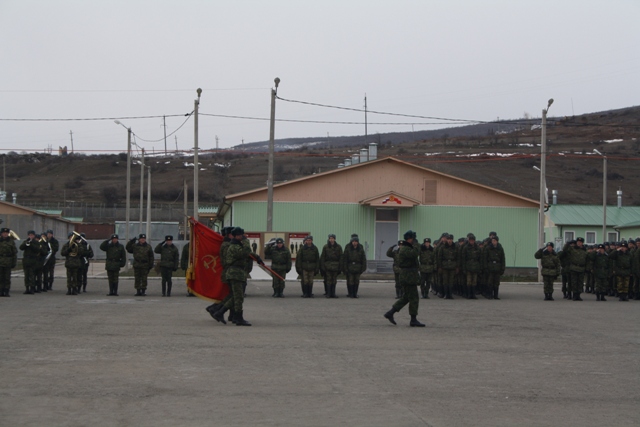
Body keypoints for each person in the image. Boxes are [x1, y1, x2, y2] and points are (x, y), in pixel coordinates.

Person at [212, 227, 263, 326]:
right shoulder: (233, 246)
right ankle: (236, 317)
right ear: (236, 236)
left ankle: (222, 313)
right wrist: (246, 242)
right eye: (241, 235)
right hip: (235, 273)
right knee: (238, 297)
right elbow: (244, 252)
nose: (243, 237)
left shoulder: (237, 245)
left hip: (238, 273)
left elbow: (247, 253)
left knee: (236, 296)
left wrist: (257, 257)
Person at [383, 230, 425, 327]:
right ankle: (413, 320)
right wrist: (417, 245)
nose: (414, 240)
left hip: (409, 276)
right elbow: (415, 253)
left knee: (406, 297)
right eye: (413, 239)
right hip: (408, 276)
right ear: (409, 239)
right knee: (414, 298)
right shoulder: (405, 249)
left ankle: (390, 313)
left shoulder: (407, 248)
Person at [562, 237, 588, 301]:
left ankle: (578, 295)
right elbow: (565, 250)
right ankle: (574, 295)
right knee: (574, 282)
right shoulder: (572, 249)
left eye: (580, 242)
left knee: (580, 283)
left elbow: (587, 259)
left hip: (581, 268)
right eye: (578, 242)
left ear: (582, 243)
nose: (579, 243)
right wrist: (567, 243)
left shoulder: (584, 250)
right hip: (574, 268)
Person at [20, 230, 45, 295]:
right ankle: (27, 288)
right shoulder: (26, 241)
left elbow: (37, 250)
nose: (30, 236)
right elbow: (21, 248)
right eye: (29, 235)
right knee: (26, 275)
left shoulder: (36, 242)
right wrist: (26, 244)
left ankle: (32, 288)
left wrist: (31, 244)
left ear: (34, 236)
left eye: (32, 235)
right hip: (26, 260)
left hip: (33, 260)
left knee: (32, 275)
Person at [320, 234, 342, 299]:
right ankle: (328, 293)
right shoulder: (325, 247)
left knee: (334, 280)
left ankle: (333, 293)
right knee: (328, 280)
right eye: (330, 238)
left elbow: (341, 257)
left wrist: (340, 267)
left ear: (334, 239)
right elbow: (323, 257)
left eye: (332, 238)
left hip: (336, 266)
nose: (331, 240)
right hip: (328, 266)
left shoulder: (338, 247)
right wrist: (322, 267)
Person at [483, 235, 505, 299]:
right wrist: (485, 267)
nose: (493, 242)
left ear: (497, 241)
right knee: (490, 282)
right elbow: (485, 259)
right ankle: (490, 295)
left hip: (497, 267)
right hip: (490, 267)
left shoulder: (500, 248)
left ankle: (496, 295)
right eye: (492, 241)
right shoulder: (488, 248)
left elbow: (502, 259)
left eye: (494, 241)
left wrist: (502, 268)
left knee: (496, 282)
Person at [437, 233, 457, 299]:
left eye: (450, 239)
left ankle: (450, 294)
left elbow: (458, 257)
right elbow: (439, 257)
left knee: (451, 281)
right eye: (448, 239)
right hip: (444, 266)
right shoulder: (442, 247)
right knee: (445, 281)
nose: (449, 241)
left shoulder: (455, 247)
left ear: (452, 240)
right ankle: (446, 294)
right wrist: (440, 267)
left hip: (452, 266)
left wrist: (457, 266)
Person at [461, 234, 482, 299]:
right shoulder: (466, 248)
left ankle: (473, 294)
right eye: (470, 240)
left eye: (472, 240)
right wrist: (464, 268)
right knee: (469, 281)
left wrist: (480, 267)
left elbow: (480, 258)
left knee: (474, 281)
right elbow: (463, 259)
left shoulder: (477, 248)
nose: (471, 241)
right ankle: (469, 294)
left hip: (475, 266)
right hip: (468, 266)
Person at [0, 227, 18, 297]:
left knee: (7, 277)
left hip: (8, 261)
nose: (5, 234)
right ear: (1, 234)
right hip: (0, 261)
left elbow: (14, 253)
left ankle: (6, 290)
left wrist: (14, 262)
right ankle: (1, 291)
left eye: (6, 233)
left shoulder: (11, 241)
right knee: (1, 277)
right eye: (4, 233)